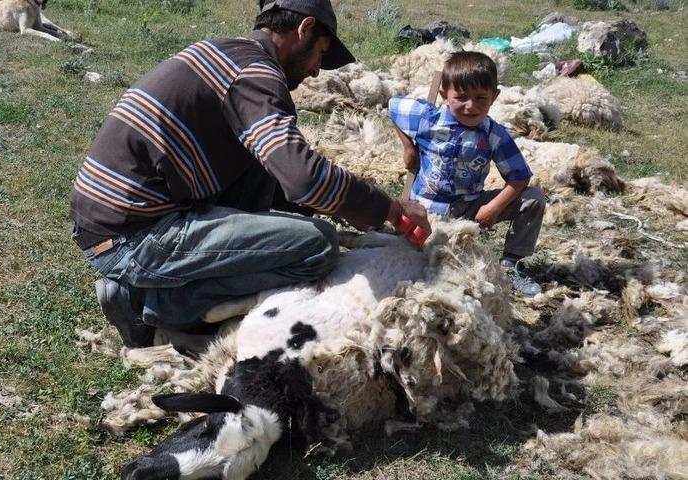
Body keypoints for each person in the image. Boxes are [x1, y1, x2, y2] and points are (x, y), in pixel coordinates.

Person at [68, 0, 431, 348]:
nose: (317, 70)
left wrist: (353, 208)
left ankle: (166, 289)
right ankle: (151, 302)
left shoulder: (226, 53)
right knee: (317, 246)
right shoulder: (256, 74)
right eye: (320, 52)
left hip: (115, 222)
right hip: (134, 238)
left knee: (262, 170)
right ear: (304, 29)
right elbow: (303, 178)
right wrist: (389, 208)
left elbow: (283, 179)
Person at [388, 51, 546, 297]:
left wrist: (492, 207)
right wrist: (408, 147)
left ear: (494, 97)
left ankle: (511, 265)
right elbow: (393, 107)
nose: (471, 106)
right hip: (426, 210)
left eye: (481, 98)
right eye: (461, 97)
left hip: (470, 208)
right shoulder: (426, 118)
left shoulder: (494, 135)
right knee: (414, 261)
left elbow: (519, 178)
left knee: (533, 198)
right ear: (444, 95)